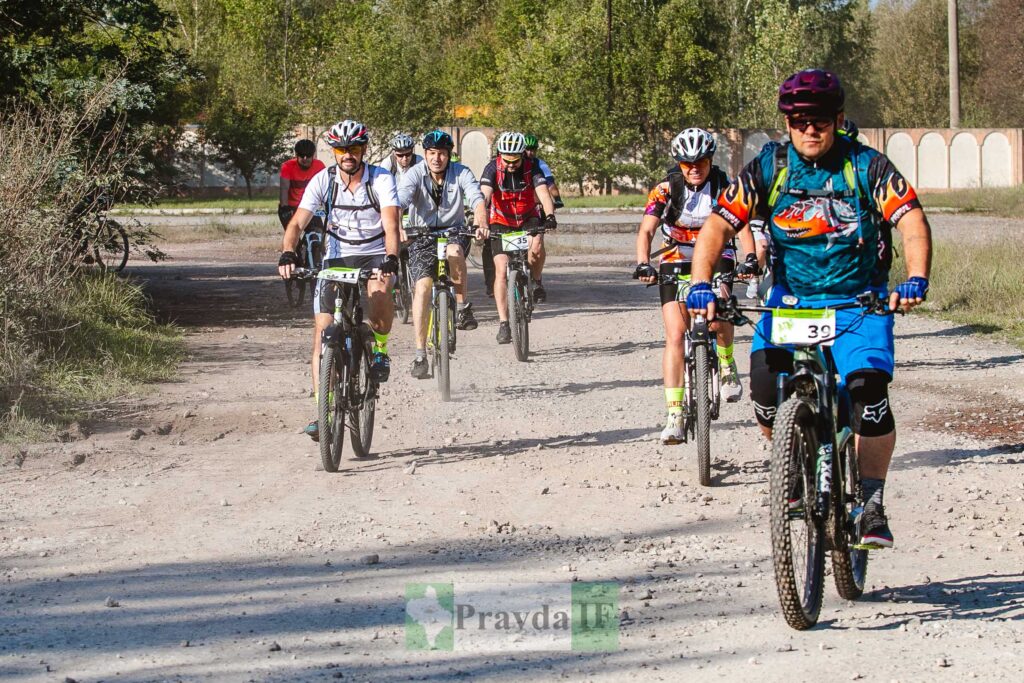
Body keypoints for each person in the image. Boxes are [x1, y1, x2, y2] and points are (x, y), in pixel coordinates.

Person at [686, 69, 932, 549]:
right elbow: (717, 228)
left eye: (819, 120)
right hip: (790, 305)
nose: (810, 129)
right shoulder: (769, 168)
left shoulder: (867, 166)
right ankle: (792, 460)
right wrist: (700, 283)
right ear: (787, 123)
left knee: (868, 394)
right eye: (799, 121)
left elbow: (912, 220)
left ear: (838, 120)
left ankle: (871, 501)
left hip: (860, 302)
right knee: (762, 388)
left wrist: (916, 278)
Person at [277, 120, 402, 441]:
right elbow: (297, 223)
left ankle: (380, 351)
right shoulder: (324, 179)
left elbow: (390, 224)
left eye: (354, 148)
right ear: (334, 152)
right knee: (321, 334)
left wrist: (390, 258)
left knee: (378, 298)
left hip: (375, 253)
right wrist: (288, 252)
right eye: (341, 149)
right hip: (336, 258)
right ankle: (324, 409)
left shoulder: (381, 179)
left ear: (364, 150)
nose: (348, 154)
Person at [633, 127, 757, 445]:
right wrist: (643, 263)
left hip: (718, 255)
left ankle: (727, 362)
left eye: (700, 161)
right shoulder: (664, 190)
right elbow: (646, 230)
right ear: (678, 164)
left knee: (718, 316)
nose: (694, 168)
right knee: (675, 333)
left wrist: (751, 257)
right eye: (687, 163)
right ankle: (674, 414)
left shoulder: (725, 187)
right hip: (675, 256)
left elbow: (741, 226)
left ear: (710, 159)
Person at [397, 130, 489, 378]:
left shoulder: (461, 172)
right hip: (421, 235)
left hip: (453, 232)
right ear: (424, 154)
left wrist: (482, 223)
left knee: (455, 250)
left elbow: (477, 199)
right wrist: (397, 227)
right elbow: (400, 201)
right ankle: (420, 354)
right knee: (423, 289)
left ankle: (461, 307)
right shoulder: (414, 173)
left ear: (449, 155)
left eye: (442, 154)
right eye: (431, 153)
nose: (436, 158)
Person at [479, 131, 557, 344]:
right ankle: (504, 323)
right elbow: (484, 194)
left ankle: (537, 281)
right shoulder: (492, 167)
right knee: (501, 271)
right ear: (499, 155)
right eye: (507, 160)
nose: (511, 165)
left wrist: (549, 215)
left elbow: (543, 193)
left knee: (536, 247)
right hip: (501, 221)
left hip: (527, 217)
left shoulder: (532, 167)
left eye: (515, 160)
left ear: (523, 155)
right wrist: (479, 220)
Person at [278, 139, 325, 229]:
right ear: (296, 155)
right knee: (293, 239)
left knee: (316, 238)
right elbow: (284, 190)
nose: (305, 159)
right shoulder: (287, 166)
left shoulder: (319, 166)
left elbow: (325, 187)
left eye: (308, 156)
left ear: (313, 155)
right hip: (291, 207)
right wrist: (285, 209)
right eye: (302, 155)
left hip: (311, 207)